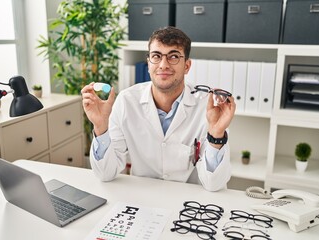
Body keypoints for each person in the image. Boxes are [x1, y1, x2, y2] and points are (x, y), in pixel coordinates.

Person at [81, 26, 236, 191]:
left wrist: (216, 135)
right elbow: (105, 173)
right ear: (148, 63)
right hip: (143, 198)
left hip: (190, 205)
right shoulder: (126, 101)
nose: (163, 65)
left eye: (174, 56)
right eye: (156, 56)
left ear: (187, 66)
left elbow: (214, 185)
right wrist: (100, 126)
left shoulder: (208, 107)